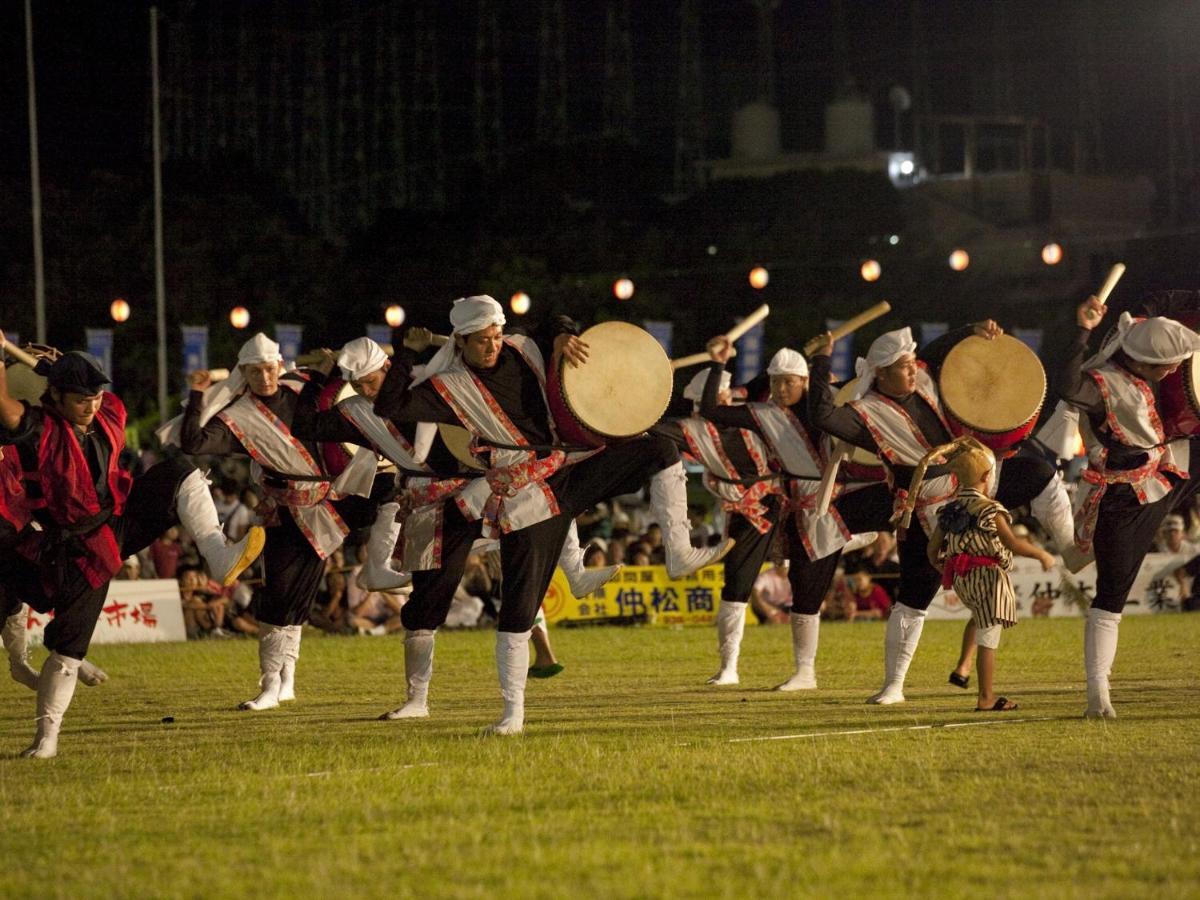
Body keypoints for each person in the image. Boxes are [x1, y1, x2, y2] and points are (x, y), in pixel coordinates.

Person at [371, 295, 733, 734]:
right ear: (461, 342)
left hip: (563, 469)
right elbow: (389, 407)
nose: (493, 346)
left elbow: (555, 318)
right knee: (502, 605)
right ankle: (502, 714)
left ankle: (678, 551)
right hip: (510, 495)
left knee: (660, 447)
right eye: (482, 341)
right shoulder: (447, 387)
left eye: (495, 336)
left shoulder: (521, 347)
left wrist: (563, 335)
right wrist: (405, 352)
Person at [0, 338, 263, 757]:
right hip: (75, 547)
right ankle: (46, 738)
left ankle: (218, 555)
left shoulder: (109, 412)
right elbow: (6, 406)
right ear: (55, 397)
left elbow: (87, 391)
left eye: (96, 396)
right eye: (81, 399)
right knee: (69, 646)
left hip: (117, 521)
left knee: (181, 470)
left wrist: (54, 365)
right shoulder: (40, 428)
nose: (91, 406)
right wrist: (2, 356)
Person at [807, 321, 1074, 705]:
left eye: (913, 361)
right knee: (915, 595)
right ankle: (893, 685)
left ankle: (1070, 545)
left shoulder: (926, 377)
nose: (914, 368)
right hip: (925, 506)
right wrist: (821, 360)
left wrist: (972, 329)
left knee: (1040, 473)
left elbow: (937, 351)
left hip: (976, 482)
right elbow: (821, 415)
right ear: (880, 373)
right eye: (903, 365)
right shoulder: (864, 414)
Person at [289, 335, 620, 598]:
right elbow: (306, 427)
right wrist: (320, 377)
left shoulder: (432, 384)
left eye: (372, 382)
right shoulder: (355, 412)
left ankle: (574, 574)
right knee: (429, 600)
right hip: (428, 500)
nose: (367, 392)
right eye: (359, 386)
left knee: (547, 497)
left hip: (476, 485)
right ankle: (382, 578)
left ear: (389, 368)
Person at [175, 332, 376, 712]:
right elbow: (194, 443)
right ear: (244, 374)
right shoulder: (238, 416)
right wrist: (199, 394)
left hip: (327, 506)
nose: (264, 378)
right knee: (277, 598)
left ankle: (288, 682)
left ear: (279, 366)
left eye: (269, 369)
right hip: (283, 511)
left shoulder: (303, 387)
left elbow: (338, 388)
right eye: (254, 372)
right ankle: (268, 684)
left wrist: (332, 363)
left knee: (299, 599)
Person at [700, 341, 885, 692]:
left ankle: (806, 672)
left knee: (808, 589)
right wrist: (717, 366)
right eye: (776, 382)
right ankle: (803, 673)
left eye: (789, 382)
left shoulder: (824, 407)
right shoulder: (763, 413)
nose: (781, 389)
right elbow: (711, 410)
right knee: (800, 583)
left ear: (803, 381)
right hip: (792, 508)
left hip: (826, 507)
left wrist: (822, 361)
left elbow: (839, 402)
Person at [1057, 295, 1200, 718]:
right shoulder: (1101, 384)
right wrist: (1081, 330)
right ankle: (1097, 695)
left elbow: (1167, 303)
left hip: (1166, 469)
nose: (1176, 372)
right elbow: (1066, 386)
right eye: (1168, 365)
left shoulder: (1144, 351)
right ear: (1145, 362)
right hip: (1120, 498)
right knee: (1111, 596)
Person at [926, 442, 1055, 711]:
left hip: (963, 578)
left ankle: (963, 669)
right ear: (987, 476)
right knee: (989, 634)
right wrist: (1041, 555)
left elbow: (932, 549)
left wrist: (942, 566)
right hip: (988, 577)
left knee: (980, 620)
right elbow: (1013, 543)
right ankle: (986, 697)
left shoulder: (950, 509)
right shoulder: (990, 509)